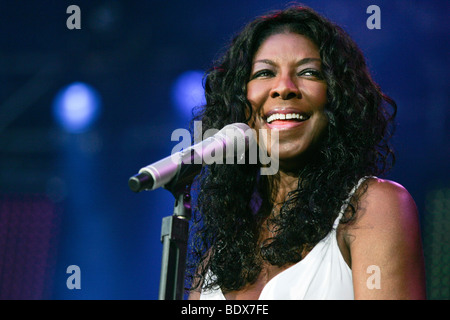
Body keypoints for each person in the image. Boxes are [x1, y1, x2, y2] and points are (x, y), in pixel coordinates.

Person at [186, 5, 426, 300]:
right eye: (264, 72)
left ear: (337, 99)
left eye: (309, 72)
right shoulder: (214, 264)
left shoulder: (373, 208)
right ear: (239, 105)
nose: (284, 88)